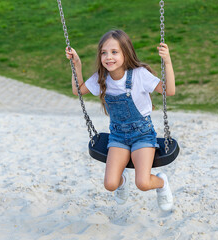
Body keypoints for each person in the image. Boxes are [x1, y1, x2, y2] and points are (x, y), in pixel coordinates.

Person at [65, 30, 176, 211]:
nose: (109, 57)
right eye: (104, 52)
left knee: (142, 182)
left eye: (114, 52)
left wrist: (168, 62)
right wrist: (77, 64)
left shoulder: (139, 75)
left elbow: (169, 91)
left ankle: (162, 183)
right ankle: (121, 179)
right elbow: (78, 90)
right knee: (110, 184)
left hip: (143, 135)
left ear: (126, 52)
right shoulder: (101, 79)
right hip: (118, 136)